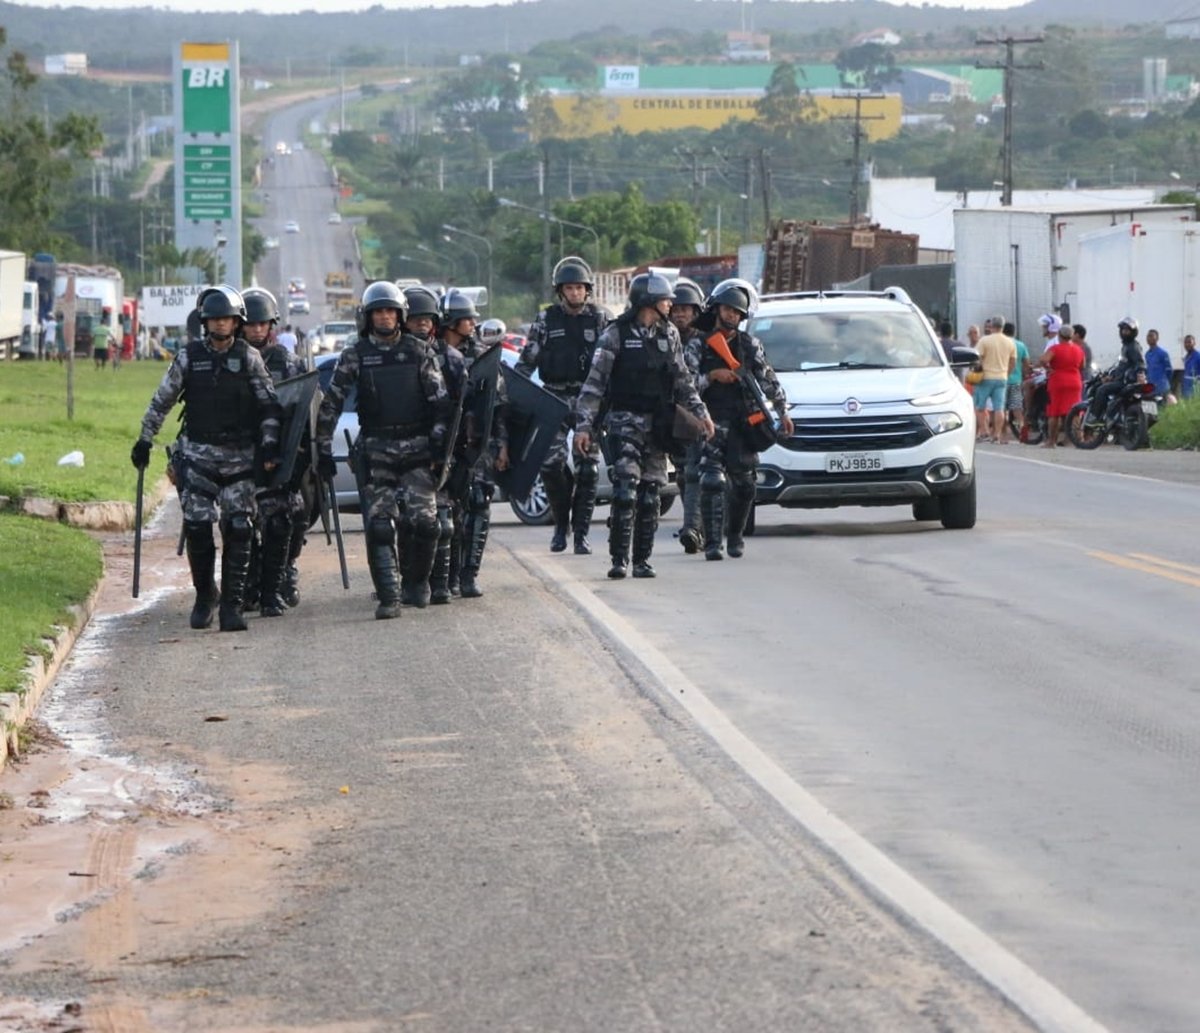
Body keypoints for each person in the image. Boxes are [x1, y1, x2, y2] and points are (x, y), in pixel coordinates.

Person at [130, 285, 282, 632]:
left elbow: (269, 405)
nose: (220, 326)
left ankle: (232, 605)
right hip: (198, 457)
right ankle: (204, 596)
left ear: (236, 321)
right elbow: (162, 400)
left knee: (240, 528)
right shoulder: (189, 357)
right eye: (214, 320)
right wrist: (144, 439)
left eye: (226, 319)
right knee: (198, 527)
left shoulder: (248, 357)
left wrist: (270, 445)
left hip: (240, 459)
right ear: (205, 322)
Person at [317, 282, 450, 620]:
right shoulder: (355, 355)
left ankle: (417, 583)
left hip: (418, 448)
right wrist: (321, 446)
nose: (385, 317)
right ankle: (389, 597)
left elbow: (440, 404)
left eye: (390, 311)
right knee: (380, 525)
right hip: (377, 448)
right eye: (379, 311)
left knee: (426, 524)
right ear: (368, 316)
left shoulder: (419, 352)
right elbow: (331, 402)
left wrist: (438, 446)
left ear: (401, 314)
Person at [574, 273, 714, 580]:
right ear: (649, 301)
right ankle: (619, 559)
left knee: (651, 493)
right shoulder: (616, 334)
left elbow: (683, 379)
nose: (671, 305)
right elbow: (594, 384)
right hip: (624, 421)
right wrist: (584, 426)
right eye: (666, 299)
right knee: (626, 490)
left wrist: (701, 413)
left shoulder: (670, 335)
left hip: (659, 423)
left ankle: (641, 561)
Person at [685, 279, 792, 561]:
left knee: (744, 484)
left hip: (744, 422)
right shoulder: (698, 345)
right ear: (717, 310)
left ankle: (734, 536)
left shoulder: (750, 345)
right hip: (710, 421)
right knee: (711, 480)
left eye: (737, 313)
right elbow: (684, 385)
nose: (732, 316)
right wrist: (711, 377)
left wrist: (782, 411)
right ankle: (712, 544)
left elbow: (768, 381)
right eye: (728, 310)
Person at [516, 256, 608, 555]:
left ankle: (581, 534)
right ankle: (560, 525)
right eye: (569, 288)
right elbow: (527, 360)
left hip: (587, 399)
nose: (574, 293)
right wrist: (511, 394)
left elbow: (612, 364)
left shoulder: (600, 319)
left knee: (587, 470)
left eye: (579, 288)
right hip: (553, 397)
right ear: (560, 291)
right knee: (550, 464)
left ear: (587, 290)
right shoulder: (546, 320)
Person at [242, 287, 309, 617]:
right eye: (251, 324)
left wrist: (306, 455)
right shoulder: (230, 360)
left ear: (272, 327)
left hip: (280, 459)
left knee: (287, 520)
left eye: (262, 324)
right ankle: (249, 584)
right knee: (240, 524)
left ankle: (282, 572)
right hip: (239, 456)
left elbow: (304, 413)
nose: (256, 330)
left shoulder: (289, 363)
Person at [448, 301, 510, 599]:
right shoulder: (433, 354)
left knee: (478, 504)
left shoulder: (483, 358)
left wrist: (502, 446)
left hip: (477, 444)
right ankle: (446, 576)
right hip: (445, 442)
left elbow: (497, 409)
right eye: (465, 319)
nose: (472, 324)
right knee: (449, 511)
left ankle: (469, 574)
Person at [421, 286, 470, 604]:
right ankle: (418, 580)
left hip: (454, 447)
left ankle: (451, 580)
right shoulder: (412, 355)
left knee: (454, 517)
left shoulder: (455, 359)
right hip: (416, 446)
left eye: (424, 320)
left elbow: (473, 406)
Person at [669, 277, 707, 554]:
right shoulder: (662, 338)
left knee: (696, 472)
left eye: (686, 308)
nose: (681, 313)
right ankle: (694, 525)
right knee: (682, 473)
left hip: (699, 414)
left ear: (696, 312)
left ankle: (693, 528)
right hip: (669, 414)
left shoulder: (706, 342)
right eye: (676, 308)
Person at [1089, 316, 1146, 425]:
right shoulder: (1126, 346)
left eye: (1127, 330)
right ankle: (1110, 417)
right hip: (1122, 379)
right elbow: (1122, 366)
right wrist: (1111, 375)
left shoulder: (1133, 347)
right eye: (1123, 330)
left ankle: (1095, 416)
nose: (1124, 332)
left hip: (1126, 382)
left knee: (1101, 390)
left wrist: (1140, 373)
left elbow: (1140, 362)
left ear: (1133, 332)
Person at [1037, 322, 1085, 448]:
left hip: (1058, 381)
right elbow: (1082, 365)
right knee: (1074, 412)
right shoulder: (1078, 349)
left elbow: (1043, 360)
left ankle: (1051, 441)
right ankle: (1079, 439)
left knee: (1054, 412)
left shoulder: (1055, 349)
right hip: (1075, 381)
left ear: (1059, 335)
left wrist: (1047, 368)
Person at [974, 316, 1016, 443]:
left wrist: (977, 372)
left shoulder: (984, 341)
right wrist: (1007, 373)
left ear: (991, 326)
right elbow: (1013, 361)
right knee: (999, 408)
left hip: (985, 377)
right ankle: (996, 434)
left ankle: (984, 431)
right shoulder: (1010, 342)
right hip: (1002, 378)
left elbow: (977, 359)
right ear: (1002, 326)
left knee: (980, 407)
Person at [1002, 320, 1030, 444]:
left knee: (1002, 409)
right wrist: (1024, 374)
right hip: (1016, 381)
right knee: (1017, 408)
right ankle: (1023, 427)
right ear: (1014, 332)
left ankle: (1004, 436)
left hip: (1002, 380)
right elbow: (1026, 363)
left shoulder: (1001, 344)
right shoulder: (1021, 345)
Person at [1144, 328, 1173, 400]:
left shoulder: (1163, 353)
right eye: (1148, 336)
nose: (1149, 338)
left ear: (1157, 338)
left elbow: (1169, 371)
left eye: (1151, 336)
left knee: (1164, 409)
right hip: (1151, 388)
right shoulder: (1147, 354)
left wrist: (1163, 382)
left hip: (1162, 388)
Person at [1182, 334, 1200, 399]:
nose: (1187, 344)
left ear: (1194, 343)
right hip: (1186, 389)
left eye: (1189, 342)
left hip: (1194, 391)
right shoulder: (1186, 357)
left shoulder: (1198, 357)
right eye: (1185, 342)